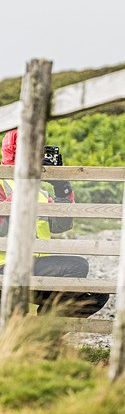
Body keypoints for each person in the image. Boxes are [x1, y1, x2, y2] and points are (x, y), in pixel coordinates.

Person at [0, 129, 109, 316]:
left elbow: (62, 225)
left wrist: (61, 186)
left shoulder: (39, 191)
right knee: (77, 267)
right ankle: (41, 331)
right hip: (6, 265)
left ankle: (41, 334)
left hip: (37, 267)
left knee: (96, 295)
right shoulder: (2, 183)